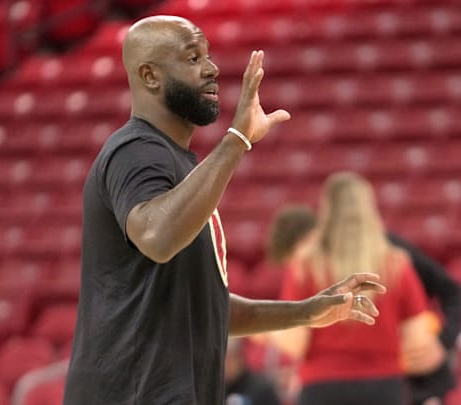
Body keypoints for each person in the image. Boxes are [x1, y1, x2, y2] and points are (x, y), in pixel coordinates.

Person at [63, 15, 386, 405]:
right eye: (193, 58)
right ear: (150, 76)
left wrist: (307, 312)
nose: (212, 68)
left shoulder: (178, 165)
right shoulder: (135, 151)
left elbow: (208, 308)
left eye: (208, 56)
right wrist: (237, 140)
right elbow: (157, 237)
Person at [267, 203, 460, 405]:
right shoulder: (311, 272)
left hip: (411, 379)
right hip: (366, 383)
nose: (299, 264)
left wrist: (443, 342)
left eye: (297, 256)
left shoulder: (387, 250)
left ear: (312, 236)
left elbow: (452, 292)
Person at [224, 337, 282, 405]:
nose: (225, 366)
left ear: (239, 358)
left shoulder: (261, 387)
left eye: (229, 360)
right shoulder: (222, 386)